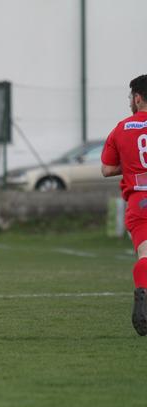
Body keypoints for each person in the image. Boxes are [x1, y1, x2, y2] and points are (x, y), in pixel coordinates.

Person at [101, 74, 147, 336]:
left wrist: (130, 166)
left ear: (137, 98)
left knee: (145, 255)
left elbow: (107, 169)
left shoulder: (122, 128)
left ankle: (142, 295)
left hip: (140, 201)